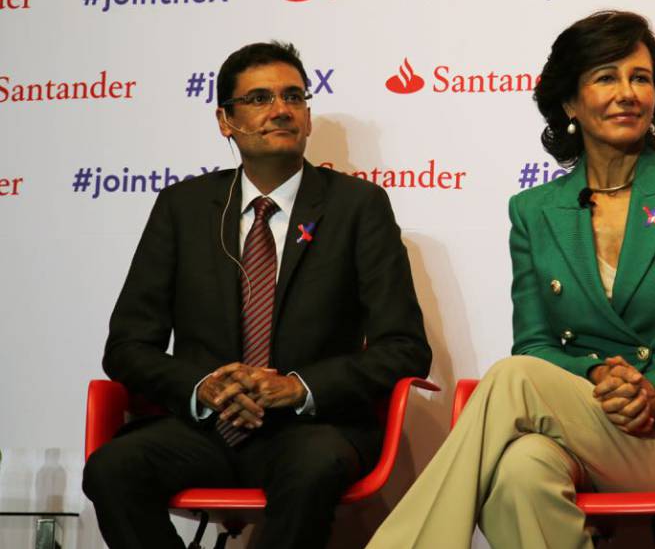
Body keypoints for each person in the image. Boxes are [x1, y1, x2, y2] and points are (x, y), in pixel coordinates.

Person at [366, 11, 655, 548]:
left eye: (640, 78)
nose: (627, 93)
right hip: (584, 423)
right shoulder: (533, 211)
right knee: (519, 474)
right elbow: (536, 342)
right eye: (606, 77)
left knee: (511, 378)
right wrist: (599, 373)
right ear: (570, 103)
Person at [82, 41, 431, 549]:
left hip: (309, 428)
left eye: (294, 97)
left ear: (308, 117)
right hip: (201, 429)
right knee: (112, 468)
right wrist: (205, 387)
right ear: (225, 120)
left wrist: (297, 387)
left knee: (314, 465)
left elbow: (404, 348)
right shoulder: (183, 208)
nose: (282, 110)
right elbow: (128, 348)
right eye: (260, 98)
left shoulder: (359, 207)